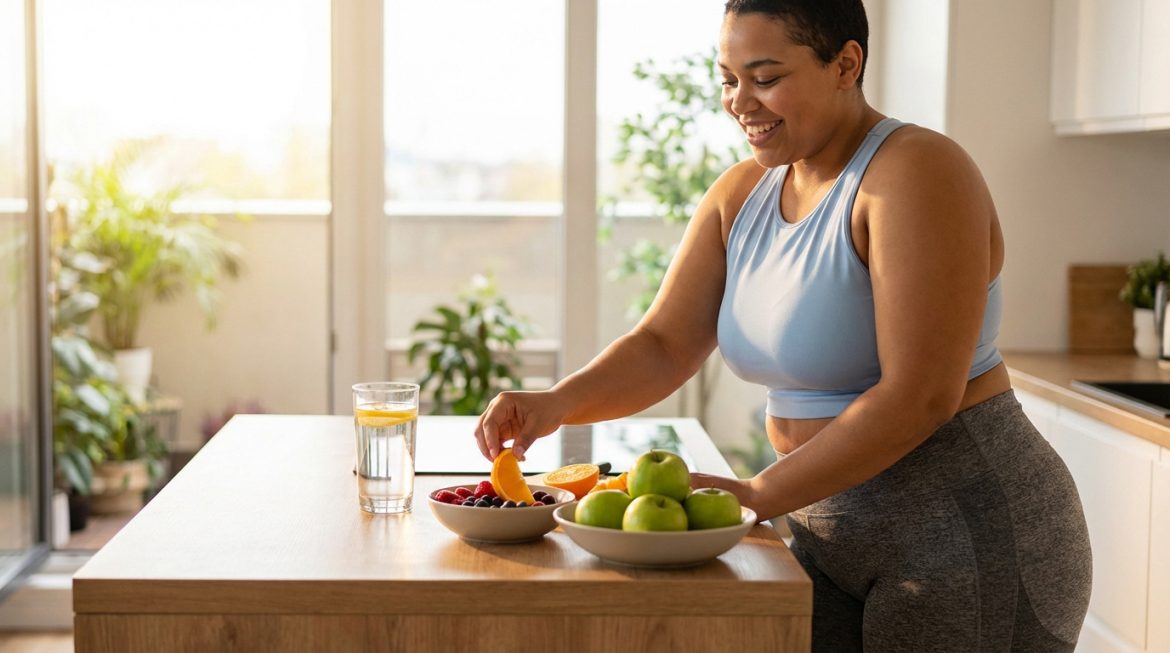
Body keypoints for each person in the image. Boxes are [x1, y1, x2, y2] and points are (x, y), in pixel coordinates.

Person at [474, 0, 1092, 650]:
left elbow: (923, 394)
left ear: (845, 64)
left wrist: (753, 492)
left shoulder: (916, 171)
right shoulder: (743, 193)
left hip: (964, 523)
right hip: (823, 527)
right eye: (728, 78)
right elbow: (663, 344)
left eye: (765, 77)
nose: (741, 101)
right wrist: (555, 403)